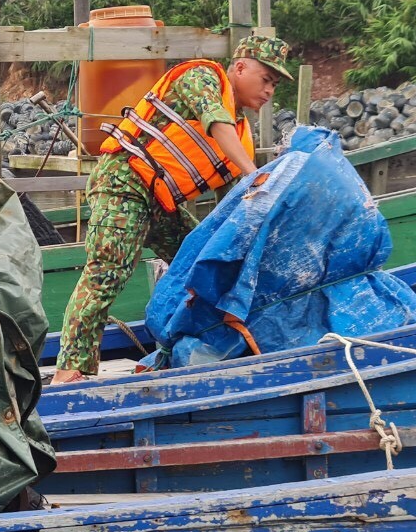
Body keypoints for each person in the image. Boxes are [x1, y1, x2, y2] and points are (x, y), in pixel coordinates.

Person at [52, 35, 293, 383]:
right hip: (124, 179)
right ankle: (69, 371)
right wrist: (255, 175)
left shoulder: (240, 137)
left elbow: (235, 206)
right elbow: (216, 123)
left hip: (159, 201)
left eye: (274, 85)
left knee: (203, 262)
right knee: (108, 270)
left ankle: (197, 349)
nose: (269, 90)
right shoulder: (202, 78)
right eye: (266, 79)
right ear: (240, 67)